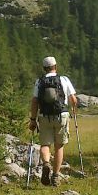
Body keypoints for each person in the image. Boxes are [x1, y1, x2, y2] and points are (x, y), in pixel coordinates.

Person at [29, 56, 78, 187]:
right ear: (55, 66)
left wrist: (33, 120)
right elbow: (73, 99)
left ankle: (46, 163)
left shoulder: (39, 82)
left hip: (44, 116)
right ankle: (55, 177)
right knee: (59, 146)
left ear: (44, 68)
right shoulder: (64, 79)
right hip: (61, 115)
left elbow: (34, 101)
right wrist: (73, 110)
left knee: (45, 145)